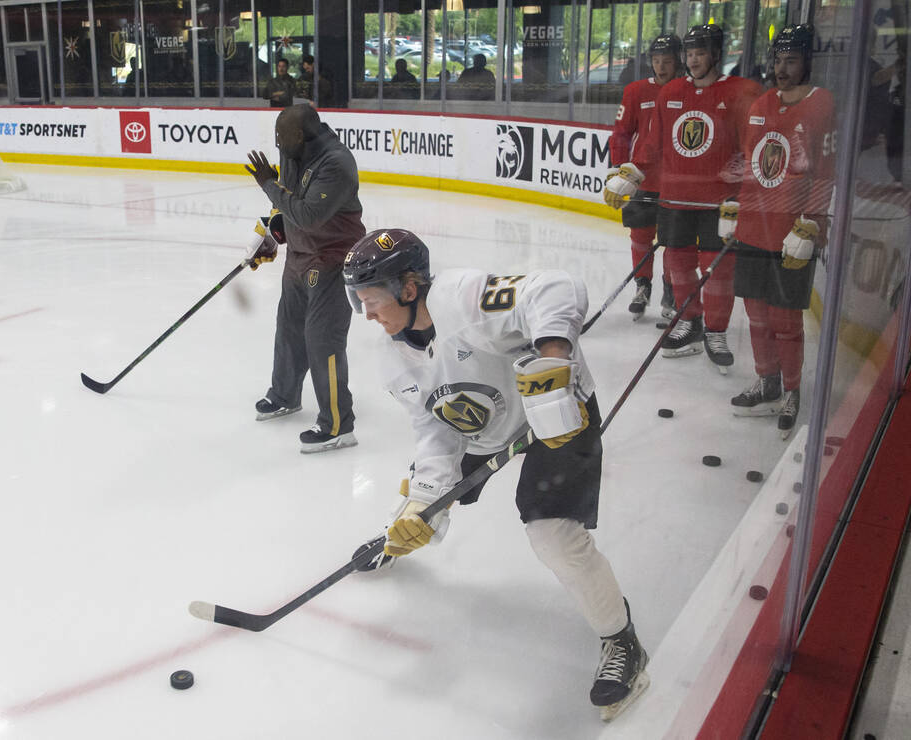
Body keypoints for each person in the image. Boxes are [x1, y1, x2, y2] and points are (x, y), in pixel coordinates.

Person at [342, 228, 648, 721]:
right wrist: (425, 501)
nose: (367, 313)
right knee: (421, 495)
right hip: (485, 428)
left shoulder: (461, 298)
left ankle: (622, 641)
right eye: (359, 301)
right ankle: (402, 530)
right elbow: (435, 434)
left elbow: (557, 286)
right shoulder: (391, 357)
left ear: (409, 287)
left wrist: (553, 357)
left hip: (555, 408)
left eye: (372, 299)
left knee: (552, 534)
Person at [606, 24, 763, 373]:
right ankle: (689, 322)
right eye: (689, 54)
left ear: (717, 55)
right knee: (679, 267)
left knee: (719, 272)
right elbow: (652, 144)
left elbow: (752, 150)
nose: (693, 61)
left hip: (718, 203)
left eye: (701, 53)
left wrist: (743, 197)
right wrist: (631, 174)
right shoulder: (672, 91)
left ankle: (716, 332)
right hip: (675, 198)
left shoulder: (742, 92)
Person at [721, 25, 835, 438]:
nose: (781, 68)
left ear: (807, 61)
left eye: (791, 60)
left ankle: (791, 390)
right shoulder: (762, 102)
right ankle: (766, 380)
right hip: (755, 226)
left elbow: (825, 172)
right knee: (755, 314)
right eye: (778, 60)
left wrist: (812, 222)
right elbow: (751, 161)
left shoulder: (822, 104)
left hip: (792, 233)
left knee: (786, 319)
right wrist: (734, 203)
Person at [245, 104, 365, 453]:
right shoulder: (294, 153)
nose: (278, 143)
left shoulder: (337, 163)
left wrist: (268, 185)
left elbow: (310, 215)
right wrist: (268, 238)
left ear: (301, 134)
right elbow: (288, 207)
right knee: (289, 328)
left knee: (322, 340)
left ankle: (339, 426)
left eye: (283, 136)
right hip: (299, 257)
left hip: (332, 260)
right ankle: (285, 396)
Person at [606, 34, 683, 320]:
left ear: (679, 61)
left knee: (674, 242)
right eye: (656, 61)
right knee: (640, 236)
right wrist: (619, 169)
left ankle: (670, 289)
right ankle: (643, 286)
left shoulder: (686, 91)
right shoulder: (636, 91)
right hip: (643, 179)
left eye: (667, 61)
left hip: (677, 182)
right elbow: (622, 133)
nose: (661, 67)